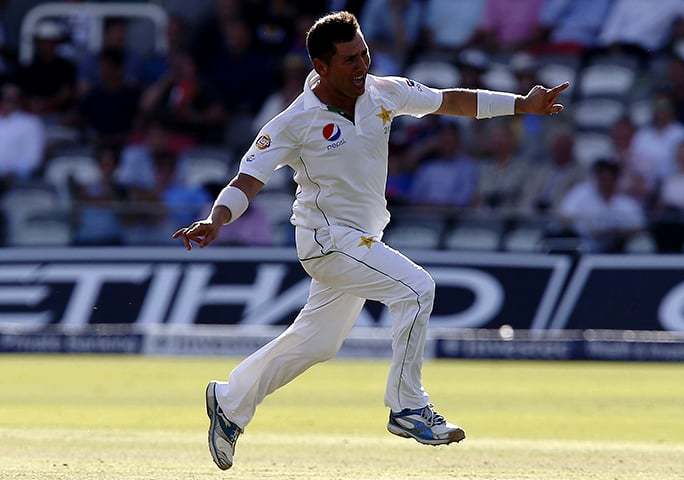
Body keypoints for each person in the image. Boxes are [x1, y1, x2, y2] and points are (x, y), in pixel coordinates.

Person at [171, 11, 569, 470]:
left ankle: (230, 399)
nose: (362, 66)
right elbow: (247, 179)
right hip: (326, 239)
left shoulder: (384, 91)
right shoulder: (294, 121)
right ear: (321, 67)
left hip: (361, 239)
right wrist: (216, 219)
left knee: (319, 342)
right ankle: (407, 407)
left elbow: (450, 102)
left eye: (363, 54)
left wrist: (522, 104)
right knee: (418, 289)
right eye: (349, 60)